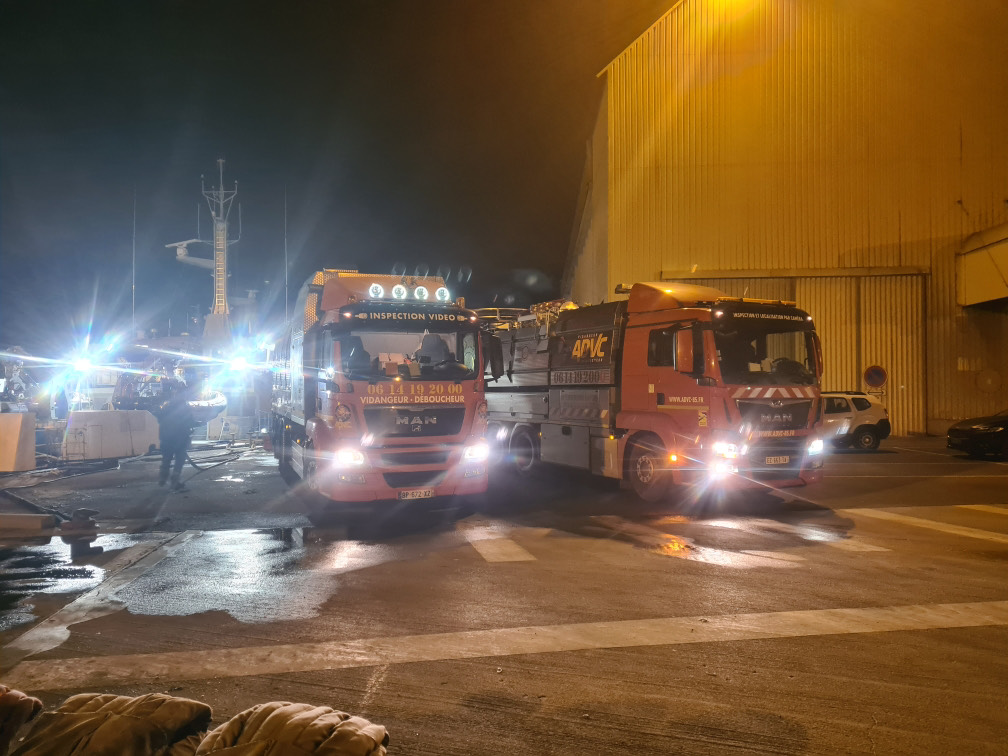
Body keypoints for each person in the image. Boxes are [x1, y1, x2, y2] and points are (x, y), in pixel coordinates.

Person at [155, 381, 195, 492]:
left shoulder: (167, 405)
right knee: (179, 460)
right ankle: (175, 482)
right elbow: (189, 421)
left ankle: (163, 478)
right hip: (179, 438)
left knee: (166, 458)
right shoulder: (184, 407)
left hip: (166, 437)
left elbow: (159, 418)